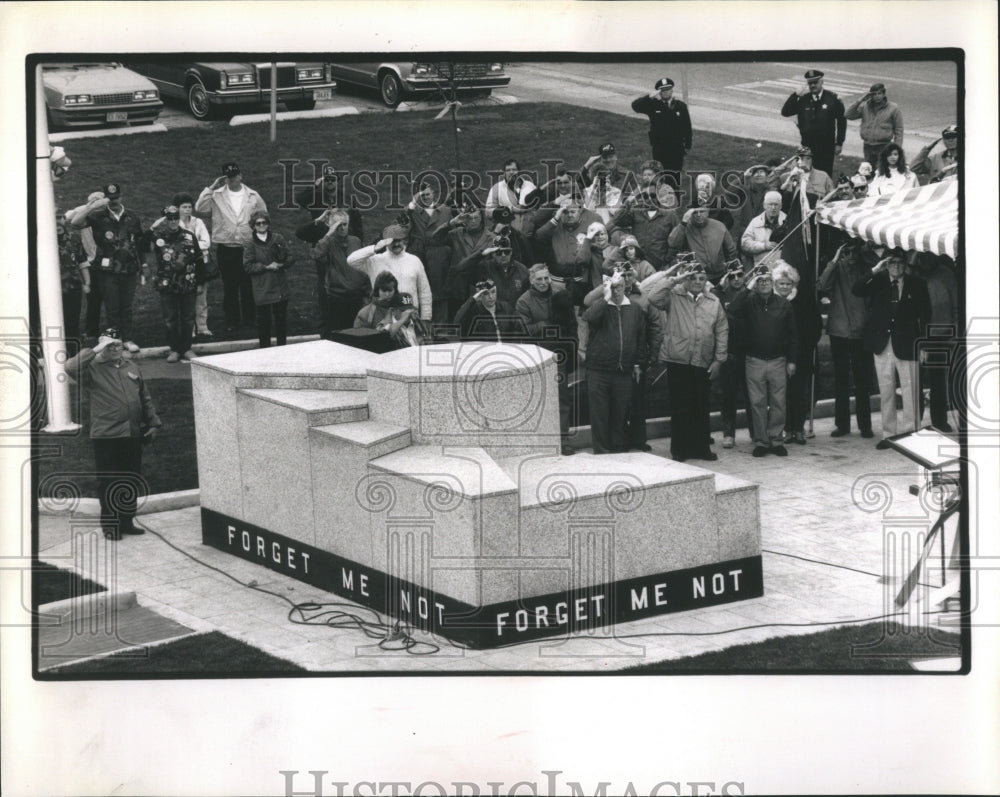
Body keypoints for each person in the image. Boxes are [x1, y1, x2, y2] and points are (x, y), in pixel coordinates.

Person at [63, 327, 161, 540]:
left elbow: (144, 397)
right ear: (103, 347)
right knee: (109, 481)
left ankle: (126, 521)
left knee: (130, 478)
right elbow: (70, 367)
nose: (115, 349)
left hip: (132, 433)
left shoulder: (130, 366)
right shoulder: (92, 369)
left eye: (118, 344)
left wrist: (153, 423)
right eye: (110, 345)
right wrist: (97, 348)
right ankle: (110, 525)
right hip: (107, 435)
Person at [645, 263, 727, 461]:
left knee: (701, 405)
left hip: (703, 360)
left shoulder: (713, 301)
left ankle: (701, 448)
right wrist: (673, 279)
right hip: (678, 360)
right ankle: (680, 449)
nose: (697, 282)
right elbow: (652, 297)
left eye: (701, 278)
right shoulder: (673, 296)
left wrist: (719, 360)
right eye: (693, 278)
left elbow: (722, 330)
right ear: (686, 279)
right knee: (680, 406)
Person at [852, 248, 931, 448]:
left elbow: (926, 316)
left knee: (910, 390)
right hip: (882, 345)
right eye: (892, 262)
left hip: (908, 345)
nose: (896, 266)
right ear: (887, 264)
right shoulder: (878, 282)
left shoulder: (917, 285)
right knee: (886, 391)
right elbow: (856, 289)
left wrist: (924, 346)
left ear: (905, 265)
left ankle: (911, 434)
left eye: (900, 262)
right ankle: (889, 435)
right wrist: (874, 270)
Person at [582, 262, 663, 452]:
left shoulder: (634, 309)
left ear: (626, 286)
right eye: (613, 286)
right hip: (599, 370)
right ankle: (602, 452)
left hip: (623, 370)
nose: (616, 290)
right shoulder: (601, 306)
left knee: (620, 414)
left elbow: (640, 338)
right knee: (600, 415)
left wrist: (637, 363)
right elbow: (589, 317)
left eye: (619, 286)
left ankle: (619, 451)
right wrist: (605, 298)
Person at [728, 265, 798, 457]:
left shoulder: (784, 304)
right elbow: (732, 310)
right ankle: (761, 441)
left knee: (778, 402)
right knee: (757, 402)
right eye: (760, 280)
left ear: (773, 283)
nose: (764, 283)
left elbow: (793, 335)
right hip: (754, 360)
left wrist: (792, 360)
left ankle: (776, 440)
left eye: (768, 280)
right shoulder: (748, 302)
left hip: (778, 360)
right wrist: (748, 287)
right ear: (755, 284)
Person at [69, 182, 146, 353]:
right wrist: (91, 207)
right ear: (105, 199)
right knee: (112, 306)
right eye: (110, 199)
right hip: (106, 270)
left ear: (121, 196)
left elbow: (139, 243)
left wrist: (143, 265)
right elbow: (75, 222)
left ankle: (128, 338)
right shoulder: (97, 216)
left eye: (116, 197)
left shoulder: (132, 217)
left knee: (126, 306)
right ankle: (115, 338)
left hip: (129, 269)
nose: (114, 201)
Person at [196, 162, 268, 332]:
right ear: (224, 178)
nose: (233, 179)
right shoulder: (216, 195)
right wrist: (211, 187)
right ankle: (232, 320)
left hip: (247, 247)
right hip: (226, 248)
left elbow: (263, 214)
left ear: (240, 175)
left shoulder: (252, 195)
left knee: (248, 285)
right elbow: (199, 208)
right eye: (229, 177)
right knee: (230, 286)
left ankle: (250, 319)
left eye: (235, 176)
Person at [817, 238, 876, 438]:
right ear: (842, 252)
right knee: (841, 380)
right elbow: (822, 284)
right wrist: (834, 260)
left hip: (861, 331)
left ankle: (865, 425)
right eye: (847, 252)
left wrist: (866, 253)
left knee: (862, 381)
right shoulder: (837, 267)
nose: (851, 256)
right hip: (839, 331)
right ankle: (842, 424)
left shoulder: (865, 268)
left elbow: (876, 274)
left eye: (854, 251)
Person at [147, 205, 206, 363]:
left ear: (179, 219)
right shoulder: (159, 236)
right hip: (167, 284)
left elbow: (199, 260)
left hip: (188, 283)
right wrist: (155, 225)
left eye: (175, 218)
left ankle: (186, 348)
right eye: (169, 219)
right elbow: (143, 241)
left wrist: (200, 282)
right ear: (165, 220)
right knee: (170, 319)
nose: (173, 221)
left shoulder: (189, 236)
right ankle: (174, 349)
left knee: (188, 318)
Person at [772, 262, 821, 445]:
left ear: (794, 284)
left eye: (788, 283)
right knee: (781, 395)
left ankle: (798, 428)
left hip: (802, 356)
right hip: (778, 356)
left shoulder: (804, 300)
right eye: (781, 283)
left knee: (799, 393)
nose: (785, 287)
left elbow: (815, 326)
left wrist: (803, 348)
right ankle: (786, 429)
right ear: (775, 284)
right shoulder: (771, 300)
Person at [347, 224, 433, 322]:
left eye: (399, 240)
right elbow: (351, 261)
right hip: (382, 317)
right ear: (385, 243)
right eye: (392, 241)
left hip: (409, 317)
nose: (396, 244)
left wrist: (426, 318)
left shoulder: (414, 260)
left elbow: (424, 292)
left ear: (404, 240)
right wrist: (374, 248)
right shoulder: (375, 261)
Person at [913, 252, 959, 432]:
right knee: (914, 378)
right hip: (916, 333)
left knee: (938, 379)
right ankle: (915, 422)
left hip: (941, 333)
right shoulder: (912, 273)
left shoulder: (946, 274)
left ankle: (939, 420)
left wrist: (954, 331)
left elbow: (956, 305)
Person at [711, 262, 755, 448]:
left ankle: (756, 432)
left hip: (750, 352)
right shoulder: (720, 296)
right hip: (729, 353)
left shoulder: (752, 293)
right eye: (731, 276)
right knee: (728, 396)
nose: (736, 279)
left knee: (752, 396)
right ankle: (729, 434)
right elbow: (712, 301)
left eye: (739, 275)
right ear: (726, 278)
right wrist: (719, 286)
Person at [310, 209, 368, 335]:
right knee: (339, 332)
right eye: (338, 225)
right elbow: (316, 254)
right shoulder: (328, 243)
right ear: (332, 227)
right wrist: (328, 234)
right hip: (338, 296)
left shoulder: (355, 241)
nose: (342, 228)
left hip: (357, 295)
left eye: (344, 224)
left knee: (356, 331)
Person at [780, 68, 846, 176]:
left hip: (826, 145)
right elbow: (785, 112)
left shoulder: (832, 99)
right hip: (808, 145)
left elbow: (842, 122)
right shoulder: (803, 100)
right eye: (810, 83)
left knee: (824, 174)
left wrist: (839, 143)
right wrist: (795, 95)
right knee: (806, 173)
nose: (813, 86)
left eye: (815, 82)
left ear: (821, 82)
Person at [405, 180, 452, 324]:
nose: (425, 197)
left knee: (439, 292)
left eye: (428, 194)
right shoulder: (414, 211)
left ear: (433, 194)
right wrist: (414, 199)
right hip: (419, 255)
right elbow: (405, 215)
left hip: (438, 257)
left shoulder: (445, 210)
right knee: (420, 291)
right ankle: (421, 326)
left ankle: (440, 327)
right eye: (422, 195)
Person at [243, 211, 293, 348]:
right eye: (258, 223)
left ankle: (282, 347)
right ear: (253, 226)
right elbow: (247, 266)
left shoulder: (278, 238)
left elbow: (290, 257)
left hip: (279, 285)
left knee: (281, 319)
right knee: (264, 321)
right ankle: (264, 350)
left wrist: (281, 264)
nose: (261, 225)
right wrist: (265, 267)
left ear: (268, 223)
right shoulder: (250, 243)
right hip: (262, 286)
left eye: (264, 222)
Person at [630, 77, 692, 184]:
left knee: (674, 177)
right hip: (660, 148)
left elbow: (687, 127)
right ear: (659, 92)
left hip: (676, 148)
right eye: (663, 90)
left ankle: (675, 199)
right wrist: (649, 97)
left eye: (668, 89)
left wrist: (687, 146)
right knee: (660, 176)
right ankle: (660, 198)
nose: (666, 92)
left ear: (672, 90)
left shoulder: (680, 106)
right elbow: (635, 106)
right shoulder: (653, 105)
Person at [65, 190, 104, 341]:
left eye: (99, 200)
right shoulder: (85, 214)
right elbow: (68, 217)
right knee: (93, 299)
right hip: (91, 261)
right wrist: (88, 207)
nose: (96, 202)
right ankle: (92, 330)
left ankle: (112, 330)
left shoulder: (107, 216)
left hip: (108, 262)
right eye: (93, 200)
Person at [666, 207, 738, 283]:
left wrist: (730, 271)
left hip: (718, 274)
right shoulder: (684, 227)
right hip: (694, 275)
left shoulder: (719, 226)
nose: (699, 215)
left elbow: (731, 251)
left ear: (708, 212)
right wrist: (683, 223)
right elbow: (673, 243)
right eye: (695, 212)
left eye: (702, 211)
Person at [354, 271, 423, 349]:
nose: (387, 294)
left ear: (395, 290)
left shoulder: (404, 306)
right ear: (377, 290)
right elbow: (358, 339)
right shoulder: (366, 313)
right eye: (384, 291)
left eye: (390, 291)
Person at [844, 82, 905, 166]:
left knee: (882, 171)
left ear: (884, 94)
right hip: (868, 145)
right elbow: (848, 115)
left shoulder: (893, 108)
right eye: (874, 94)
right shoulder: (865, 107)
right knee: (868, 171)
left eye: (879, 93)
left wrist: (897, 149)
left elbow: (899, 130)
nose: (877, 96)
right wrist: (860, 100)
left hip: (884, 146)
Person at [56, 213, 91, 356]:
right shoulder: (43, 241)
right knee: (57, 320)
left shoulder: (74, 239)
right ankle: (57, 351)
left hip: (73, 287)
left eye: (60, 218)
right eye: (54, 219)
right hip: (53, 289)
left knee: (73, 320)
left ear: (65, 220)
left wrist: (87, 282)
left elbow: (82, 262)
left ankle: (73, 353)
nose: (58, 223)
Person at [454, 278, 523, 343]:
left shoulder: (505, 307)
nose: (491, 296)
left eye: (493, 292)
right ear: (479, 295)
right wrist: (472, 300)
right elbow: (457, 321)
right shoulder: (474, 311)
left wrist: (512, 344)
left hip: (505, 350)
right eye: (486, 293)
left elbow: (518, 327)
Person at [740, 191, 787, 267]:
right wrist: (763, 246)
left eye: (776, 204)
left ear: (781, 206)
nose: (773, 208)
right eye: (770, 204)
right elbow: (745, 243)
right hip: (761, 269)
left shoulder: (788, 221)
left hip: (782, 269)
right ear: (764, 205)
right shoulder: (755, 222)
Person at [515, 263, 556, 338]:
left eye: (546, 278)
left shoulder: (557, 295)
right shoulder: (523, 301)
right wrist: (546, 324)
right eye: (539, 279)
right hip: (536, 342)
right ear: (531, 281)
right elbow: (524, 329)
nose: (543, 283)